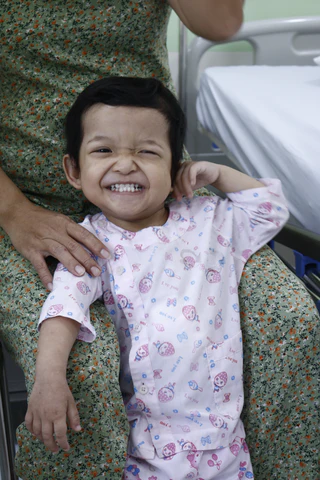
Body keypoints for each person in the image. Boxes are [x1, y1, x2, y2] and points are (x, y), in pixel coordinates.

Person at [0, 2, 319, 479]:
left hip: (226, 450)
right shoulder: (90, 244)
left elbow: (269, 209)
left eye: (145, 152)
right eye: (104, 151)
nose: (125, 163)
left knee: (293, 323)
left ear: (173, 165)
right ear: (73, 168)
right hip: (153, 451)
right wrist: (48, 377)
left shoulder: (208, 219)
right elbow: (63, 308)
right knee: (84, 377)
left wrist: (219, 173)